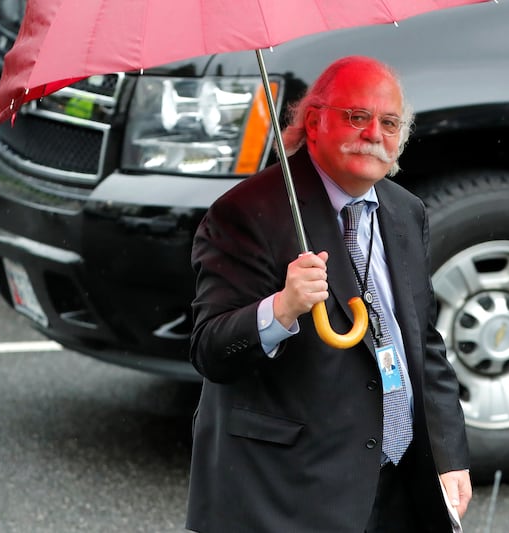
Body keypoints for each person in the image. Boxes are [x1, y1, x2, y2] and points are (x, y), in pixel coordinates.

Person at [186, 55, 471, 533]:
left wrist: (447, 454)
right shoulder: (247, 212)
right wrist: (280, 308)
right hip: (288, 493)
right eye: (357, 117)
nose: (373, 133)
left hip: (397, 483)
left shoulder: (405, 212)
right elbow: (210, 351)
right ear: (314, 121)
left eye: (389, 122)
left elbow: (423, 344)